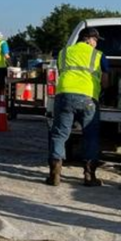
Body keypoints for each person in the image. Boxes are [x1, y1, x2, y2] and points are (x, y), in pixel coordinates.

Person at [47, 27, 109, 187]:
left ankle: (55, 173)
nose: (96, 43)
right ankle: (89, 176)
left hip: (65, 95)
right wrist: (103, 93)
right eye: (95, 40)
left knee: (60, 134)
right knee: (90, 135)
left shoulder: (64, 52)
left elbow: (62, 71)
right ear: (88, 39)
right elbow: (105, 81)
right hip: (88, 98)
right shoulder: (99, 55)